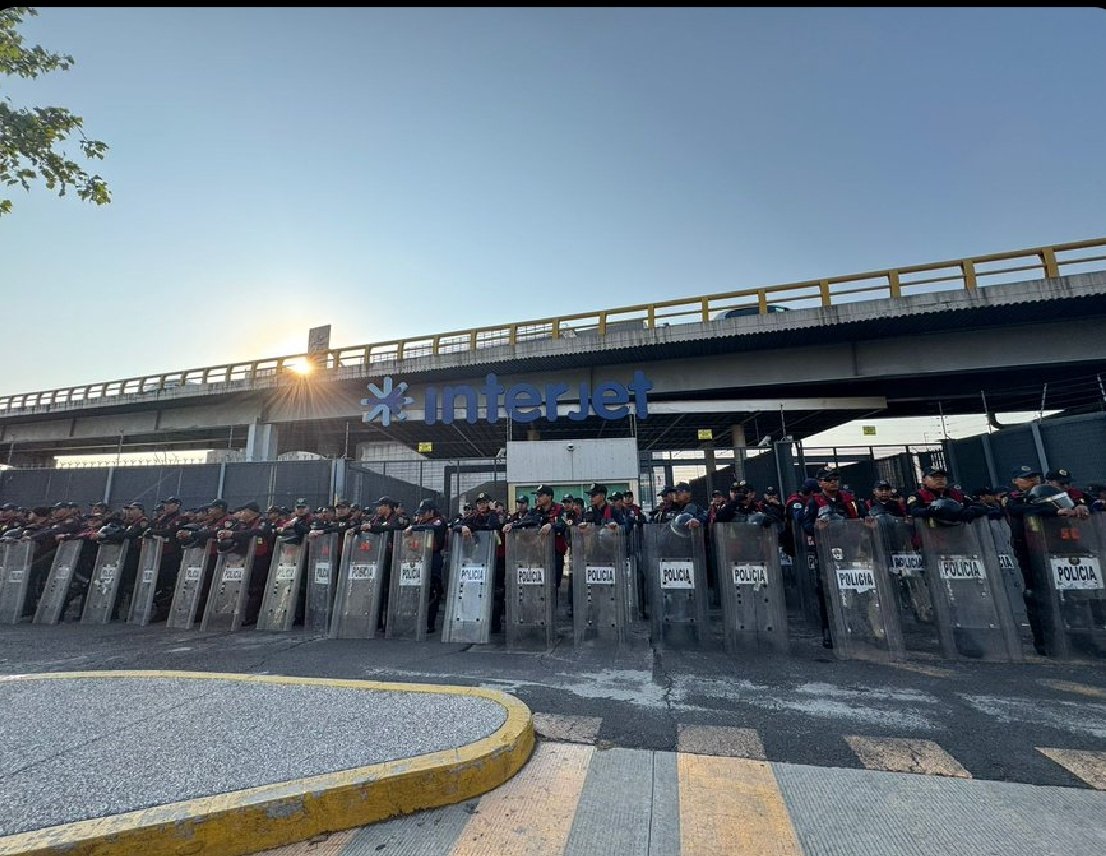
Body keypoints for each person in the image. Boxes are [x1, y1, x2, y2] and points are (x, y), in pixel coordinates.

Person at [406, 499, 448, 635]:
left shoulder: (438, 521)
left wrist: (414, 528)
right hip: (420, 556)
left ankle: (430, 622)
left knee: (433, 590)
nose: (422, 515)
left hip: (434, 556)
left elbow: (433, 529)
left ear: (431, 511)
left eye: (424, 512)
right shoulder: (421, 522)